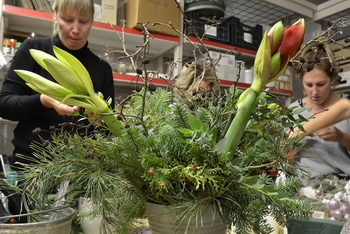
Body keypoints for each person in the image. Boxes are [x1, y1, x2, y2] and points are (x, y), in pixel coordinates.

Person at [0, 0, 114, 169]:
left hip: (79, 171)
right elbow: (4, 105)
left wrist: (98, 120)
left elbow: (109, 132)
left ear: (92, 20)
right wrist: (44, 100)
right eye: (68, 20)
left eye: (83, 21)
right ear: (55, 15)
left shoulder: (102, 68)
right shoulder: (33, 50)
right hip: (29, 167)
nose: (76, 30)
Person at [288, 42, 350, 183]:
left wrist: (341, 136)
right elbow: (284, 156)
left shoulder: (346, 105)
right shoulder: (293, 111)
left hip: (345, 187)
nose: (314, 92)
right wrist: (290, 149)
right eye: (309, 85)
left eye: (321, 84)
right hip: (307, 190)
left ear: (332, 79)